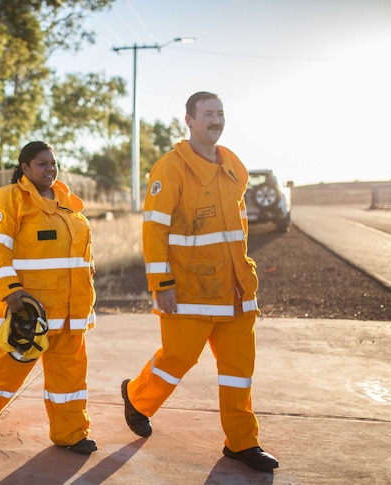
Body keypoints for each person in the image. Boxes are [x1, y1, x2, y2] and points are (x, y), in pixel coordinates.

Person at [120, 91, 279, 472]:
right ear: (189, 120)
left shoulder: (234, 167)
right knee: (177, 360)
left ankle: (242, 443)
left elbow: (236, 230)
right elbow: (154, 230)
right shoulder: (170, 168)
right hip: (189, 289)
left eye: (220, 113)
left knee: (239, 371)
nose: (216, 120)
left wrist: (244, 274)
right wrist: (162, 282)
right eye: (208, 113)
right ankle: (138, 399)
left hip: (236, 290)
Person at [0, 141, 98, 455]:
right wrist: (11, 293)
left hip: (72, 312)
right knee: (9, 370)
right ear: (25, 168)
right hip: (30, 312)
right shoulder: (9, 199)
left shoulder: (68, 203)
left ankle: (71, 434)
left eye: (53, 163)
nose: (50, 169)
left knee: (69, 378)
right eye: (42, 164)